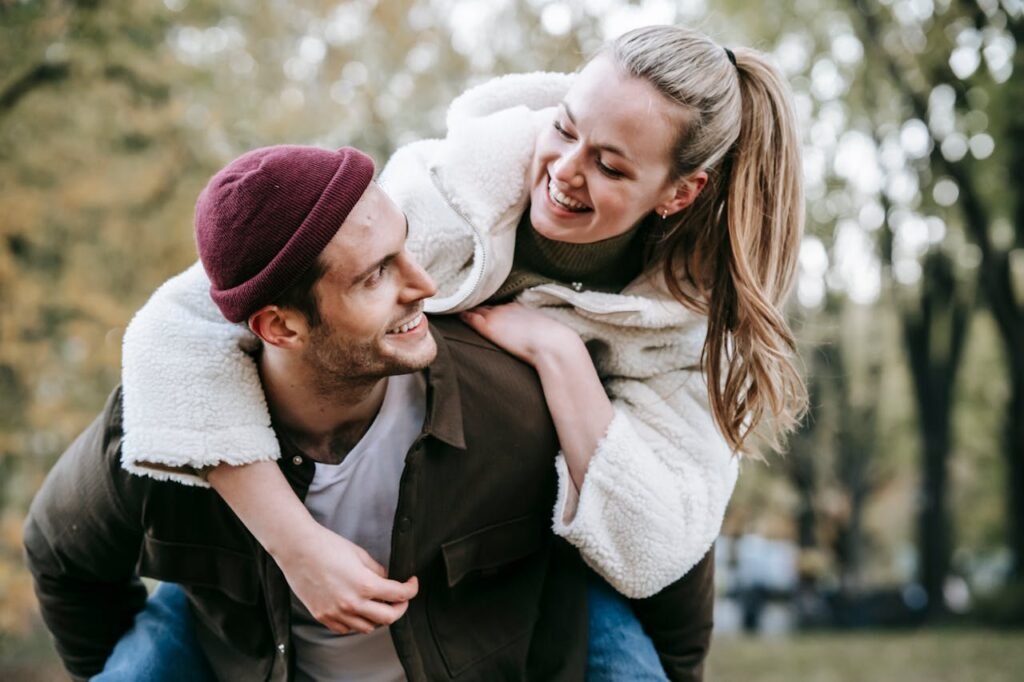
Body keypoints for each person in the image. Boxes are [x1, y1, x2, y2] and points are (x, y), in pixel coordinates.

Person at [117, 24, 805, 676]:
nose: (564, 169)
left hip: (532, 558)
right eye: (564, 127)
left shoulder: (686, 321)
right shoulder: (442, 200)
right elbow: (175, 331)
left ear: (680, 192)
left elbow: (654, 544)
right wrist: (294, 543)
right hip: (310, 515)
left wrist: (560, 357)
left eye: (610, 166)